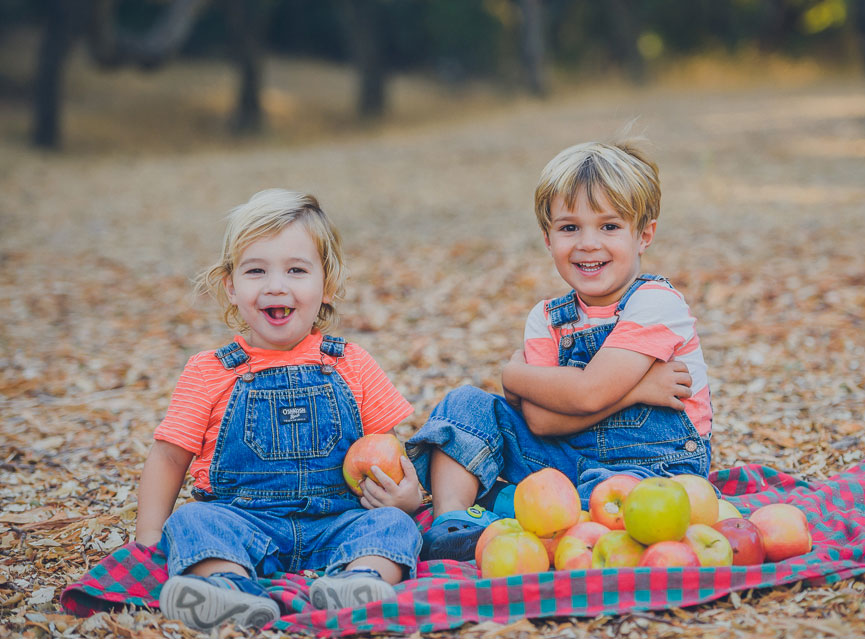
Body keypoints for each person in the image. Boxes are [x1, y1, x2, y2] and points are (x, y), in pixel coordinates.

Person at [407, 140, 712, 561]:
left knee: (619, 501)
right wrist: (638, 389)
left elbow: (588, 393)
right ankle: (453, 521)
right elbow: (540, 419)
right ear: (548, 238)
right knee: (464, 405)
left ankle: (507, 504)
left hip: (652, 465)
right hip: (564, 455)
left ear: (644, 235)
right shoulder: (548, 318)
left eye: (609, 227)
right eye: (569, 228)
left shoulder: (655, 303)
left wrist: (514, 376)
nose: (588, 243)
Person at [135, 189, 423, 630]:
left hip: (338, 520)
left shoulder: (350, 362)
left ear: (325, 285)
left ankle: (359, 582)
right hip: (243, 522)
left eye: (295, 270)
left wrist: (407, 496)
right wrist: (149, 539)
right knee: (193, 520)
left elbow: (387, 447)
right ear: (231, 287)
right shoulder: (209, 371)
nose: (275, 285)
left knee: (393, 527)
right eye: (256, 271)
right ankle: (228, 590)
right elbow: (169, 457)